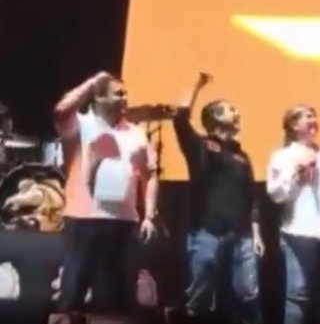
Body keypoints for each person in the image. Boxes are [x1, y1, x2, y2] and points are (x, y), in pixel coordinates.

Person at [52, 71, 159, 324]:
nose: (125, 98)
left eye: (126, 93)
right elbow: (61, 110)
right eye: (118, 93)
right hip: (84, 219)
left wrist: (149, 215)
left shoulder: (136, 133)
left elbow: (150, 175)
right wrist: (92, 82)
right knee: (73, 292)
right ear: (99, 98)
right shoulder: (80, 124)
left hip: (124, 222)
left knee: (118, 297)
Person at [173, 72, 264, 324]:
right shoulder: (200, 146)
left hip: (241, 233)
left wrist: (256, 233)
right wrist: (196, 84)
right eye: (230, 109)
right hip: (207, 230)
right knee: (201, 292)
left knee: (248, 292)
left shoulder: (241, 155)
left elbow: (251, 195)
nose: (237, 113)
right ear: (213, 117)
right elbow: (180, 118)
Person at [266, 105, 320, 324]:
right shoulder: (283, 156)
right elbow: (275, 194)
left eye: (315, 116)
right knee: (299, 294)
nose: (314, 121)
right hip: (299, 233)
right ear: (294, 125)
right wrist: (296, 173)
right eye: (308, 117)